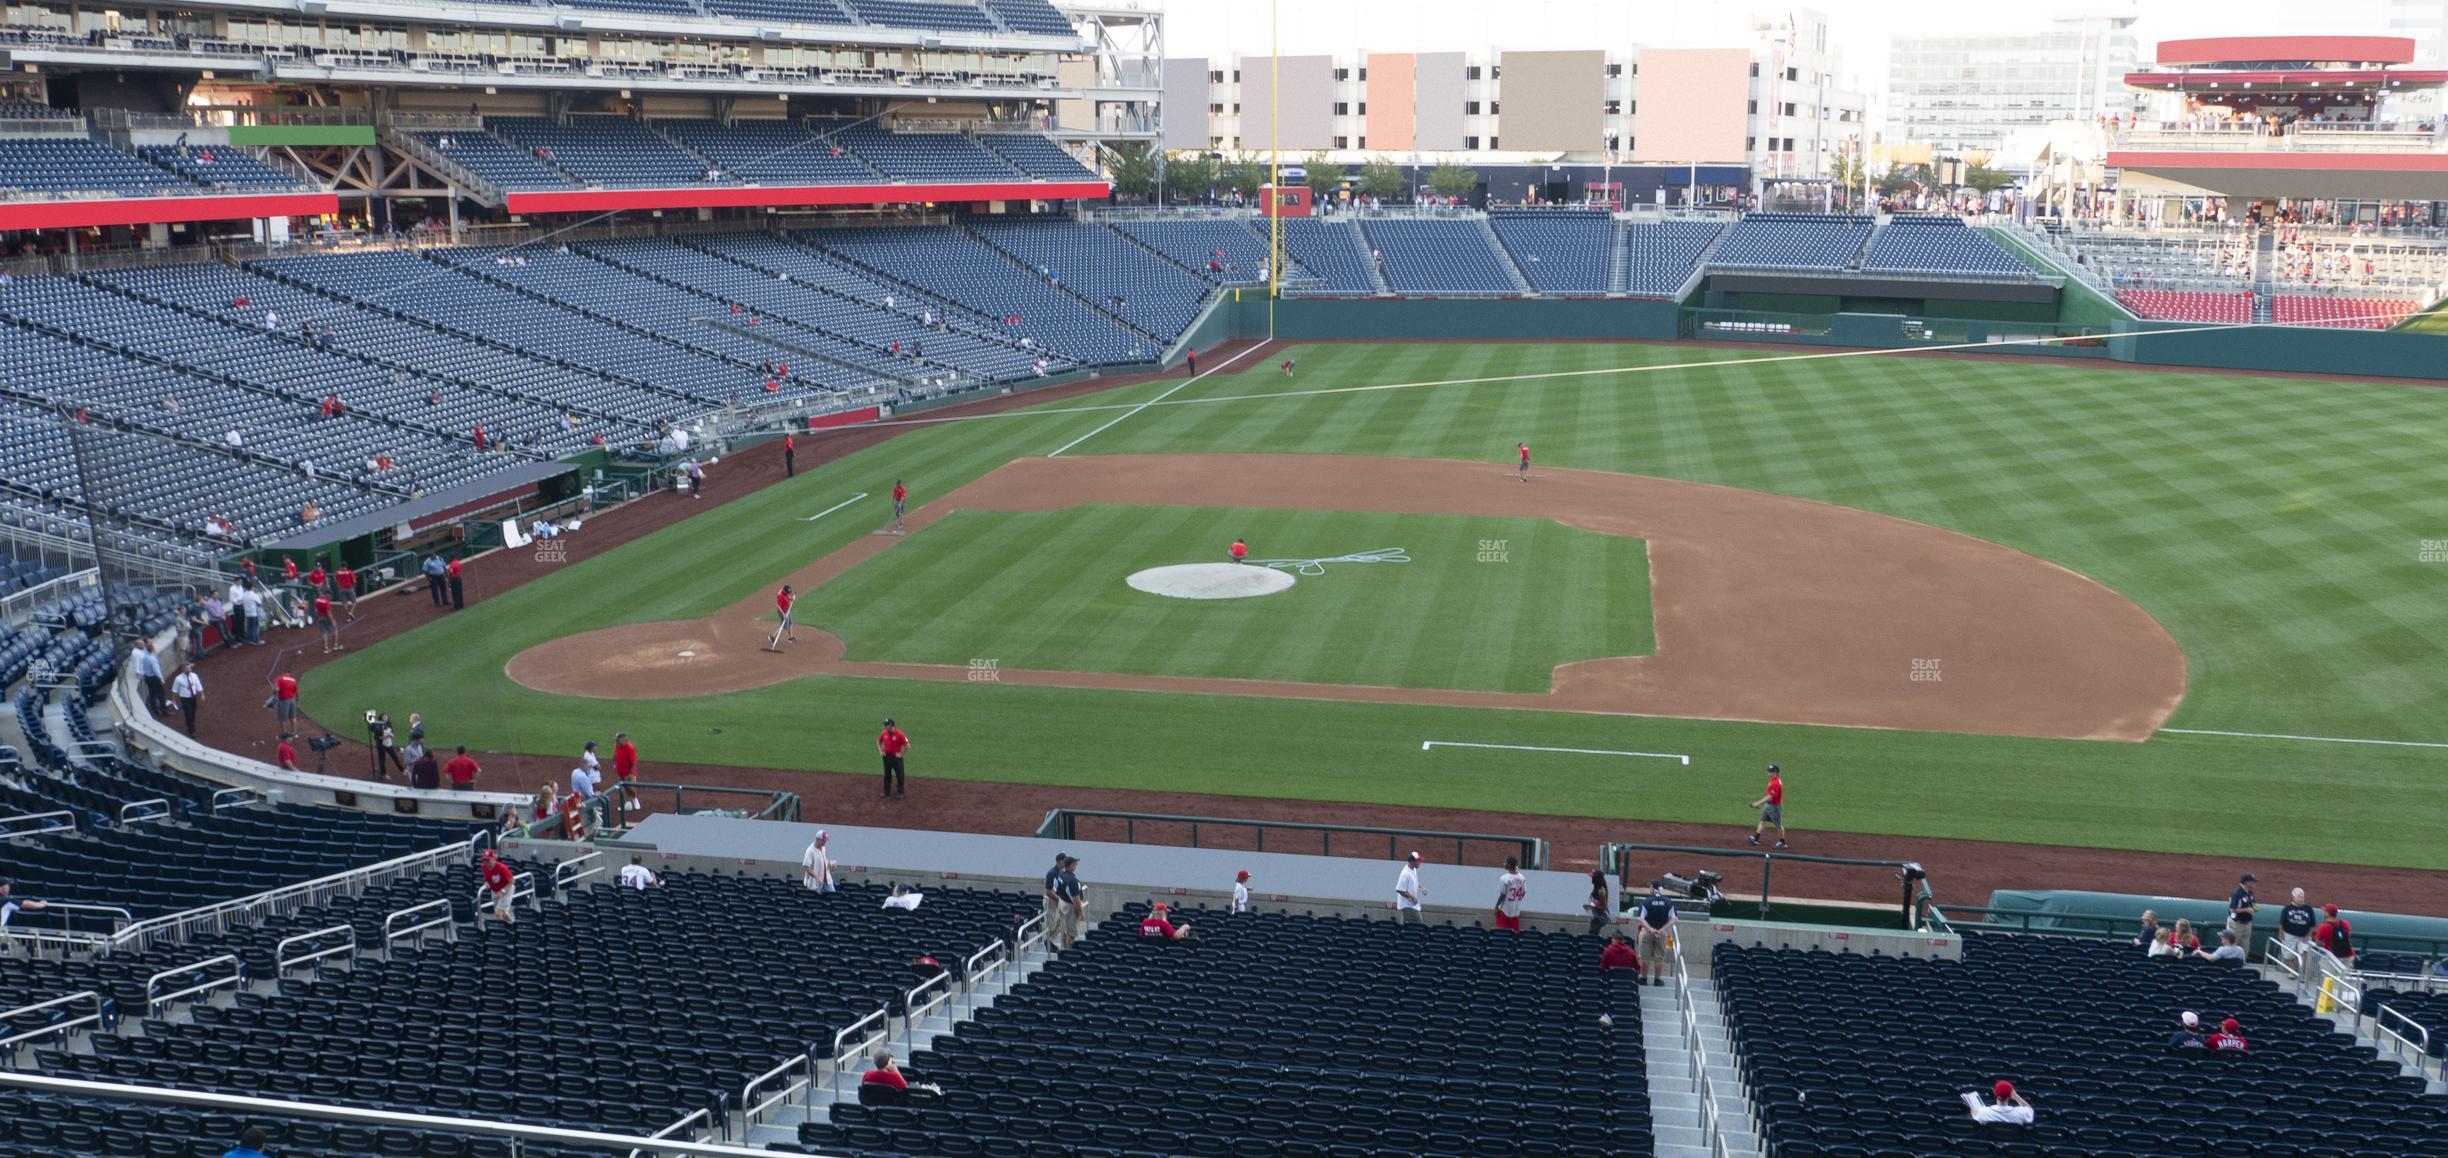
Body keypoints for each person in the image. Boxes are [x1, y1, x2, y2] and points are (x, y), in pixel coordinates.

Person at [1633, 879, 1678, 988]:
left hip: (1647, 932)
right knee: (1659, 957)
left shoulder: (1645, 902)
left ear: (1653, 889)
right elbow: (1674, 919)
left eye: (1651, 887)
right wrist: (1662, 929)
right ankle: (1657, 980)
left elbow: (1641, 919)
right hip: (1662, 934)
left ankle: (1643, 978)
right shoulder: (1669, 902)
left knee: (1645, 957)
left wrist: (1651, 929)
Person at [1749, 764, 1788, 849]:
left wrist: (1758, 803)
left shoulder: (1776, 783)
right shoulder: (1772, 779)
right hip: (1768, 805)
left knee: (1778, 825)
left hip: (1774, 807)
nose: (1768, 772)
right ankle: (1756, 838)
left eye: (1770, 771)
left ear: (1775, 772)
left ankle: (1782, 842)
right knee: (1762, 820)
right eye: (1768, 771)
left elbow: (1770, 797)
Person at [1960, 1081, 2033, 1125]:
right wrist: (2016, 1096)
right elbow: (2030, 1111)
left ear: (1995, 1093)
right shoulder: (2021, 1112)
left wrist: (1972, 1112)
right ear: (2010, 1095)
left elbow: (1976, 1122)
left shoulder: (1983, 1112)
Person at [1054, 854, 1085, 948]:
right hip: (1070, 907)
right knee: (1071, 934)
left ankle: (1064, 951)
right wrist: (1080, 912)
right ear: (1070, 865)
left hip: (1062, 903)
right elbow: (1076, 899)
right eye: (1075, 863)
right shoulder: (1072, 880)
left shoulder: (1061, 875)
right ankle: (1069, 955)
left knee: (1064, 930)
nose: (1076, 865)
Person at [132, 639, 166, 717]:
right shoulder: (150, 658)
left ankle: (156, 710)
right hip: (153, 678)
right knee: (160, 694)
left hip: (148, 677)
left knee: (152, 694)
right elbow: (156, 670)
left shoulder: (144, 657)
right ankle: (163, 710)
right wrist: (161, 678)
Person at [1493, 856, 1528, 932]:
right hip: (1515, 912)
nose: (1504, 864)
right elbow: (1524, 891)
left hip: (1504, 911)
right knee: (1514, 936)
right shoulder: (1522, 877)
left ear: (1509, 865)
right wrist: (1518, 899)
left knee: (1502, 935)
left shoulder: (1504, 878)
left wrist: (1496, 907)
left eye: (1505, 862)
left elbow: (1502, 895)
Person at [2277, 889, 2318, 953]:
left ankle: (2301, 963)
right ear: (2293, 897)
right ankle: (2293, 963)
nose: (2301, 899)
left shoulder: (2308, 909)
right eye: (2298, 897)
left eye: (2302, 897)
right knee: (2289, 956)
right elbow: (2281, 923)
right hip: (2290, 936)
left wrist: (2308, 936)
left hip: (2304, 936)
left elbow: (2312, 925)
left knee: (2304, 952)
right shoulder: (2287, 908)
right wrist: (2280, 934)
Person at [877, 717, 909, 798]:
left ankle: (900, 792)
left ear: (891, 725)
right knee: (887, 775)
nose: (885, 727)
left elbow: (907, 746)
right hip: (886, 758)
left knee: (900, 775)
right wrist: (881, 751)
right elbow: (878, 741)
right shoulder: (884, 733)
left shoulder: (900, 734)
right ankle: (886, 791)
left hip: (896, 759)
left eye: (886, 725)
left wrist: (901, 754)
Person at [1042, 852, 1070, 944]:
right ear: (1059, 861)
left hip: (1058, 900)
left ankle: (1050, 941)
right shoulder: (1052, 873)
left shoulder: (1062, 872)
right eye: (1064, 860)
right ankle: (1049, 942)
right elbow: (1049, 891)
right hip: (1051, 901)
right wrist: (1061, 900)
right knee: (1052, 924)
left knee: (1062, 921)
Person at [480, 850, 515, 922]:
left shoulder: (502, 868)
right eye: (484, 860)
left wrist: (502, 891)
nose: (486, 862)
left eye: (488, 860)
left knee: (498, 913)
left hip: (506, 889)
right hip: (495, 890)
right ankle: (512, 924)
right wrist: (487, 883)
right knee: (504, 913)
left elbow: (512, 881)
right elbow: (488, 877)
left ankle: (502, 930)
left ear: (493, 859)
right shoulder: (484, 867)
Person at [171, 663, 204, 737]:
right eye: (188, 668)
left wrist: (202, 694)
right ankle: (192, 731)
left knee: (192, 713)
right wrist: (174, 699)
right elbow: (174, 690)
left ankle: (189, 723)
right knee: (188, 714)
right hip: (185, 699)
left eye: (190, 668)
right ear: (183, 670)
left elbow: (198, 685)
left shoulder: (194, 676)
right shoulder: (178, 678)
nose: (190, 670)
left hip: (193, 698)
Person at [612, 731, 640, 815]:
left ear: (623, 739)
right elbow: (615, 756)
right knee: (625, 787)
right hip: (621, 771)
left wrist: (631, 774)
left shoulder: (629, 748)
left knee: (631, 787)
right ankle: (628, 803)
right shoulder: (618, 746)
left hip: (629, 773)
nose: (617, 741)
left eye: (618, 739)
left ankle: (635, 801)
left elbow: (634, 762)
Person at [1394, 851, 1425, 924]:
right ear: (1412, 861)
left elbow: (1414, 882)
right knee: (1417, 925)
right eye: (1418, 861)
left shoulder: (1413, 870)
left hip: (1412, 904)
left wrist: (1421, 887)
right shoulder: (1405, 873)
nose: (1419, 862)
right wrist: (1412, 897)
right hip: (1407, 905)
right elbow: (1399, 889)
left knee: (1412, 925)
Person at [2227, 873, 2258, 946]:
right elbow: (2232, 909)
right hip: (2236, 924)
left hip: (2247, 924)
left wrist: (2255, 908)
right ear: (2247, 882)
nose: (2254, 883)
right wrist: (2246, 910)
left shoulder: (2250, 893)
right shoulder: (2237, 893)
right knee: (2232, 946)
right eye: (2253, 882)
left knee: (2245, 947)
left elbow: (2254, 905)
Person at [769, 584, 797, 649]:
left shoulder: (785, 592)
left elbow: (787, 597)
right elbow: (778, 606)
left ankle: (790, 638)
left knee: (790, 622)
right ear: (784, 591)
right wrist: (783, 614)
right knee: (784, 626)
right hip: (782, 611)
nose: (788, 594)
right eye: (787, 593)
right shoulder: (780, 596)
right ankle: (772, 637)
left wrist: (791, 598)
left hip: (787, 609)